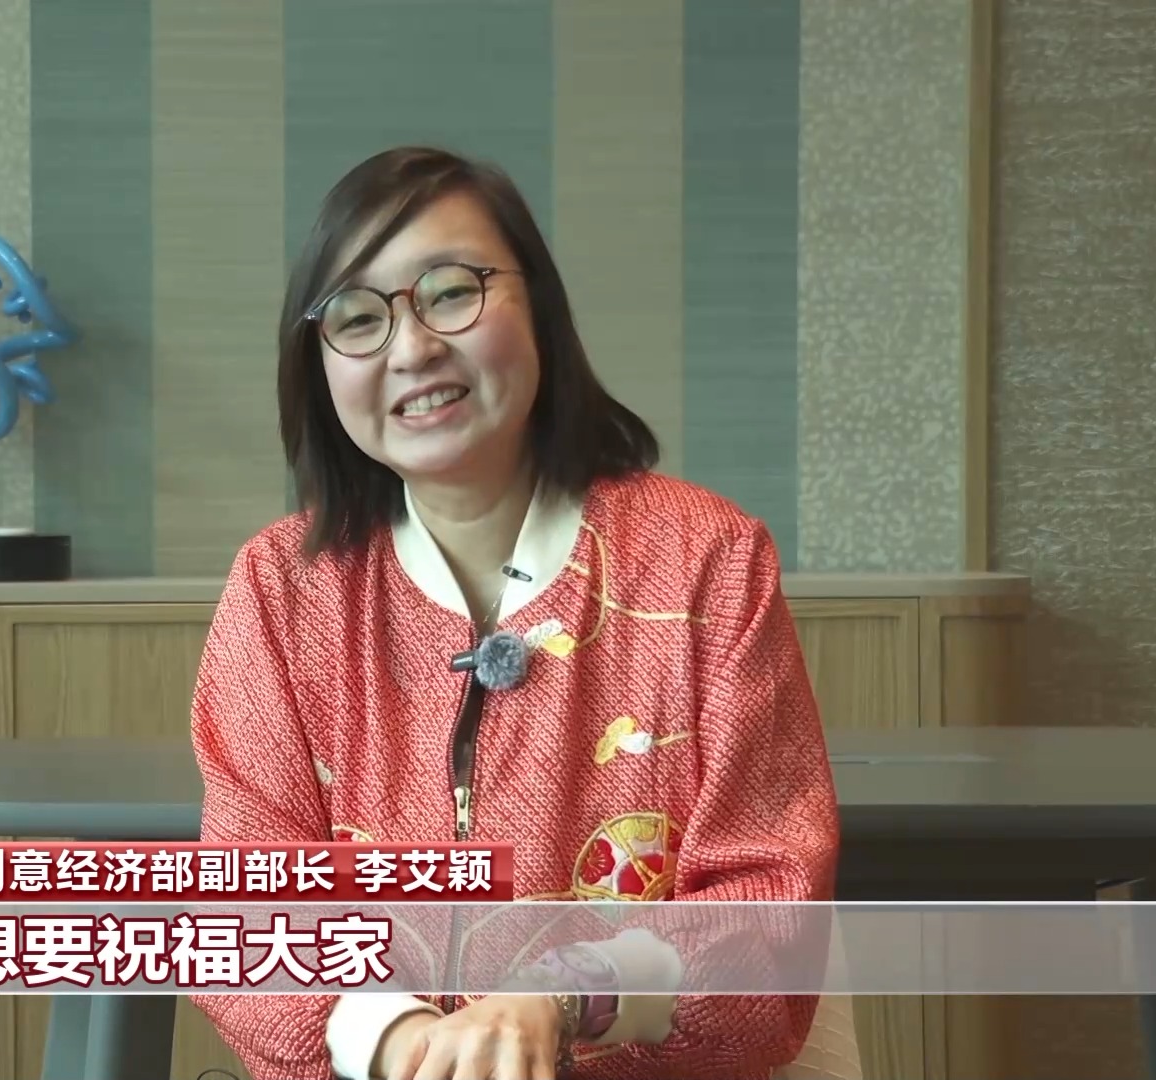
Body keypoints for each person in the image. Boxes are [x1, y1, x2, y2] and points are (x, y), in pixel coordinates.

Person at [187, 145, 842, 1080]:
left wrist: (564, 997)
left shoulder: (707, 560)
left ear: (539, 304)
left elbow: (766, 915)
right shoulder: (282, 590)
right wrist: (401, 1041)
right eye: (359, 318)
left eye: (452, 292)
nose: (412, 348)